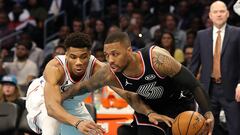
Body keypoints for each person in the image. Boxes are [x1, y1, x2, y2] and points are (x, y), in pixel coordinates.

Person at [62, 31, 214, 135]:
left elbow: (194, 84)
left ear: (129, 51)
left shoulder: (157, 59)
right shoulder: (109, 73)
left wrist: (208, 112)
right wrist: (57, 96)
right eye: (107, 55)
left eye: (115, 54)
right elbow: (81, 87)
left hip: (178, 102)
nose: (110, 60)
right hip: (149, 107)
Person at [26, 32, 165, 135]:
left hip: (72, 102)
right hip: (43, 99)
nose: (79, 62)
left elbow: (127, 95)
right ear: (66, 54)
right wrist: (78, 122)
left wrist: (149, 112)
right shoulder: (55, 68)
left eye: (83, 57)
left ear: (90, 54)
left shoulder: (98, 69)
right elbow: (51, 108)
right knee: (52, 127)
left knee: (93, 132)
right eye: (73, 57)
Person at [190, 1, 240, 135]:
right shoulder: (201, 35)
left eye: (222, 11)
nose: (219, 14)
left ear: (228, 14)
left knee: (236, 129)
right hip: (208, 90)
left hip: (232, 90)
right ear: (210, 16)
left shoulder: (237, 33)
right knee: (209, 129)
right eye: (215, 12)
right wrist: (187, 85)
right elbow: (194, 64)